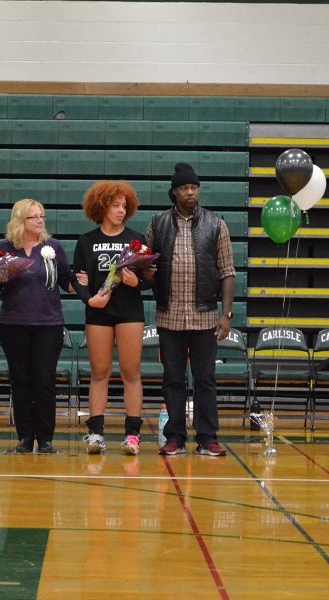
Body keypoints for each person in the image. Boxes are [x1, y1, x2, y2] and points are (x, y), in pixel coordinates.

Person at [145, 162, 235, 457]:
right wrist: (142, 272)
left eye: (194, 187)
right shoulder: (157, 224)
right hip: (169, 315)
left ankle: (207, 437)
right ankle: (175, 437)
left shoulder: (215, 223)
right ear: (174, 192)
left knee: (205, 378)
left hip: (205, 315)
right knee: (173, 379)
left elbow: (227, 271)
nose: (191, 192)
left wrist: (226, 315)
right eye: (185, 188)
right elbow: (146, 267)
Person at [73, 181, 151, 456]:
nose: (120, 210)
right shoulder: (86, 241)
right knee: (99, 373)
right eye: (115, 205)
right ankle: (95, 433)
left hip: (130, 312)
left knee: (131, 372)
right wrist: (88, 298)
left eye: (123, 206)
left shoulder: (137, 239)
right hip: (98, 313)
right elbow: (78, 281)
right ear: (101, 206)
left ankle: (132, 435)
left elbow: (149, 281)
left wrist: (134, 283)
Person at [0, 199, 76, 454]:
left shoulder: (52, 247)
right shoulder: (6, 248)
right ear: (21, 220)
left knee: (44, 380)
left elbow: (67, 279)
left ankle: (45, 438)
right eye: (34, 217)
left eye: (41, 216)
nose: (40, 220)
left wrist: (87, 288)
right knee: (20, 381)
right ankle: (24, 437)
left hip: (48, 324)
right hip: (14, 323)